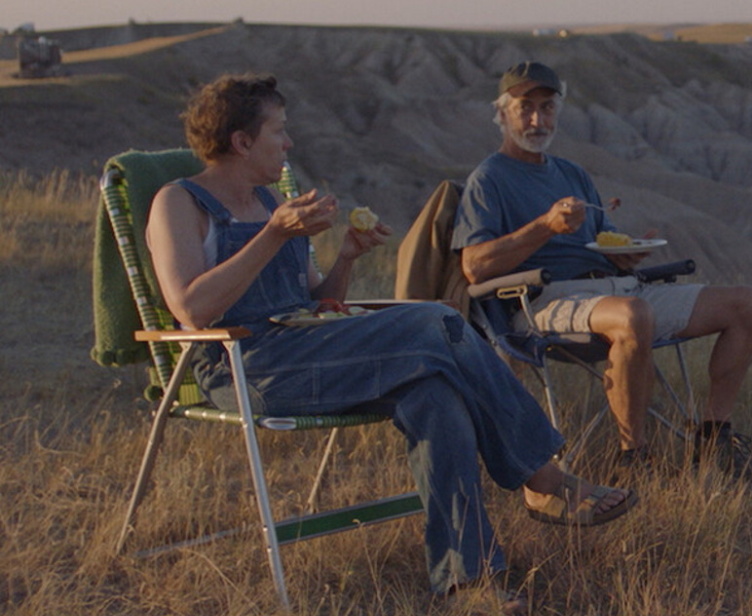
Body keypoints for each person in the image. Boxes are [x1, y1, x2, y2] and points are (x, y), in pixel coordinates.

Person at [145, 73, 637, 611]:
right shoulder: (180, 203)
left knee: (436, 395)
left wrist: (346, 258)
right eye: (279, 132)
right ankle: (541, 477)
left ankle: (464, 583)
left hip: (310, 351)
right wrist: (274, 236)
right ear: (242, 142)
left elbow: (316, 303)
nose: (288, 144)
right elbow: (191, 309)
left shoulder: (269, 203)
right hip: (247, 365)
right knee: (436, 320)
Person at [452, 61, 752, 480]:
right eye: (525, 107)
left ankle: (713, 439)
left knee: (746, 304)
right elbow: (474, 268)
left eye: (546, 108)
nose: (536, 119)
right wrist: (544, 227)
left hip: (615, 287)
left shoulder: (572, 174)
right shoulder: (489, 179)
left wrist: (626, 252)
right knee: (632, 315)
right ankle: (632, 458)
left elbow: (604, 240)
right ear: (502, 114)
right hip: (542, 301)